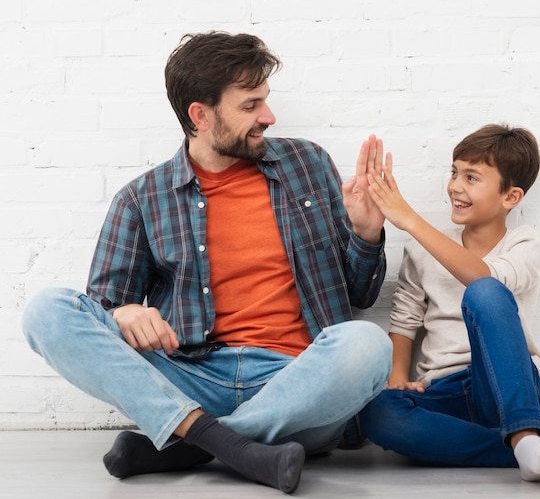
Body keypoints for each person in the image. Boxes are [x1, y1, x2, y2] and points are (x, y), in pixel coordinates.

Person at [22, 31, 392, 494]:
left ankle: (193, 442)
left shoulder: (308, 164)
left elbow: (360, 294)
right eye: (250, 105)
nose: (268, 117)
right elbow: (96, 312)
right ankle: (235, 445)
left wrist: (365, 232)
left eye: (266, 101)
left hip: (297, 385)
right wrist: (122, 312)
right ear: (200, 115)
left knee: (368, 344)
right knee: (46, 311)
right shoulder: (142, 198)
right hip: (191, 377)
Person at [359, 124, 540, 482]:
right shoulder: (422, 251)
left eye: (472, 177)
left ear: (511, 197)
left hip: (505, 388)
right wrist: (398, 377)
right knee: (376, 412)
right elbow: (405, 318)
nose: (456, 185)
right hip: (443, 390)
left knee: (484, 291)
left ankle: (522, 432)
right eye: (455, 172)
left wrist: (410, 220)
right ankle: (531, 447)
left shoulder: (525, 244)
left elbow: (482, 277)